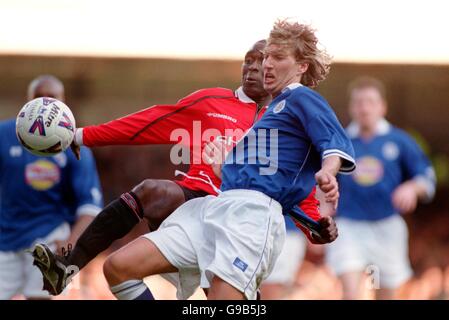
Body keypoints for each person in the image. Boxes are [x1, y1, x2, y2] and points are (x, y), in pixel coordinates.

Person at [33, 39, 338, 297]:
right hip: (193, 204)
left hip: (243, 222)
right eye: (249, 60)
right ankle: (68, 266)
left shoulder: (287, 123)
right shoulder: (211, 101)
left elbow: (299, 190)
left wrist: (316, 226)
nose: (254, 67)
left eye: (263, 62)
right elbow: (146, 123)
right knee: (150, 197)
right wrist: (83, 135)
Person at [325, 76, 436, 300]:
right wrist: (321, 207)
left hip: (387, 228)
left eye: (370, 102)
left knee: (384, 295)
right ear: (351, 107)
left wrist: (412, 188)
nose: (364, 108)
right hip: (350, 228)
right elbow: (322, 177)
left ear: (382, 106)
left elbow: (427, 177)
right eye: (359, 102)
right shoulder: (341, 141)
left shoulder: (400, 140)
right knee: (352, 293)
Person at [0, 75, 103, 299]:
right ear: (28, 101)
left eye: (52, 97)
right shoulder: (2, 136)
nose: (45, 103)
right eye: (39, 96)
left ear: (63, 102)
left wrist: (68, 247)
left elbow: (89, 207)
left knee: (43, 297)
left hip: (49, 238)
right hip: (4, 239)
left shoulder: (76, 147)